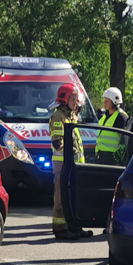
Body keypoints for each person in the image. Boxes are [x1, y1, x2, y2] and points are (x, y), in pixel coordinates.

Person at [49, 83, 92, 240]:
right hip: (63, 165)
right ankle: (60, 229)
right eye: (73, 99)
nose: (76, 103)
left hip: (74, 165)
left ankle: (74, 226)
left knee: (74, 197)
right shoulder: (58, 117)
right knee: (61, 198)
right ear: (65, 100)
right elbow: (58, 143)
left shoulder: (72, 116)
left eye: (76, 99)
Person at [95, 87, 128, 166]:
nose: (104, 103)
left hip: (112, 159)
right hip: (101, 157)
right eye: (104, 101)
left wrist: (120, 158)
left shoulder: (121, 117)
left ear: (114, 102)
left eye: (107, 101)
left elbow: (124, 140)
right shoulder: (104, 117)